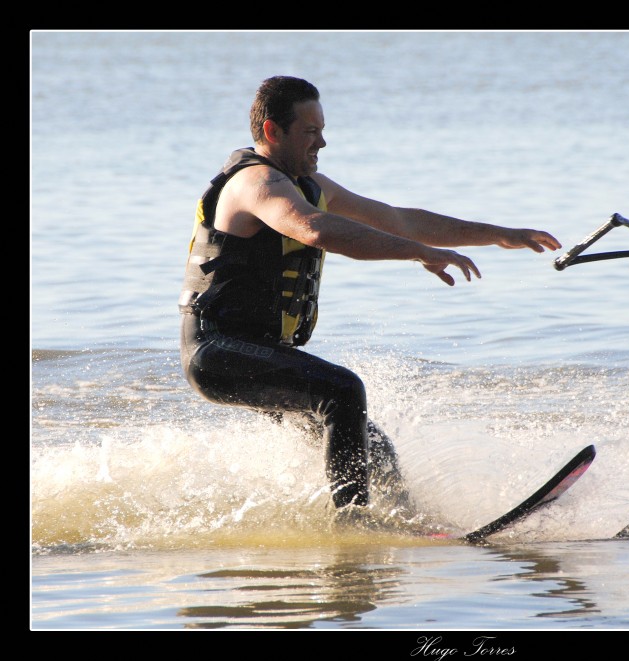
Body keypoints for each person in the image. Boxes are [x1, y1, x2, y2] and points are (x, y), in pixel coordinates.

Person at [179, 76, 561, 517]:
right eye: (310, 131)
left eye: (322, 130)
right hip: (217, 350)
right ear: (272, 131)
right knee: (342, 392)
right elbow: (313, 229)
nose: (322, 141)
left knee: (368, 439)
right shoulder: (255, 184)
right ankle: (354, 527)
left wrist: (499, 235)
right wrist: (417, 254)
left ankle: (408, 521)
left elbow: (399, 220)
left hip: (257, 351)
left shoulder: (310, 184)